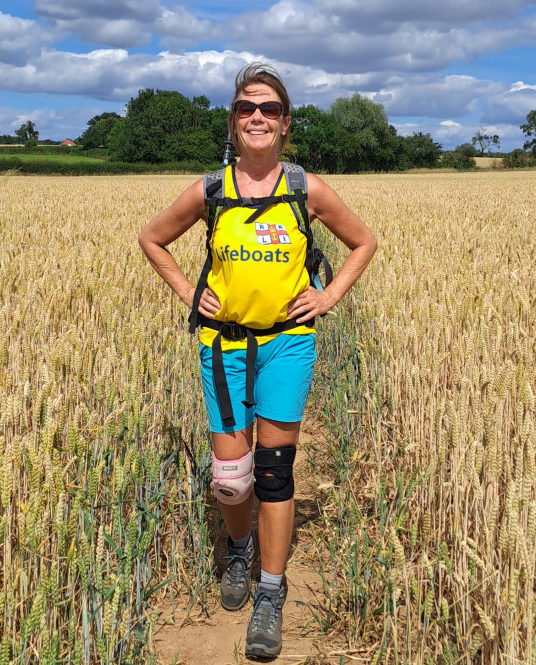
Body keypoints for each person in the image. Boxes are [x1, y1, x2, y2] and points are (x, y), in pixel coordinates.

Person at [138, 63, 376, 658]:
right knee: (230, 478)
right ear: (234, 120)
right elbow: (152, 238)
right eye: (247, 107)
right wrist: (188, 292)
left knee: (273, 471)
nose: (257, 117)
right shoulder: (211, 190)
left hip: (287, 342)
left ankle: (270, 589)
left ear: (285, 122)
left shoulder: (304, 188)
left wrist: (328, 296)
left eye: (268, 108)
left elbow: (363, 241)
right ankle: (237, 549)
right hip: (221, 346)